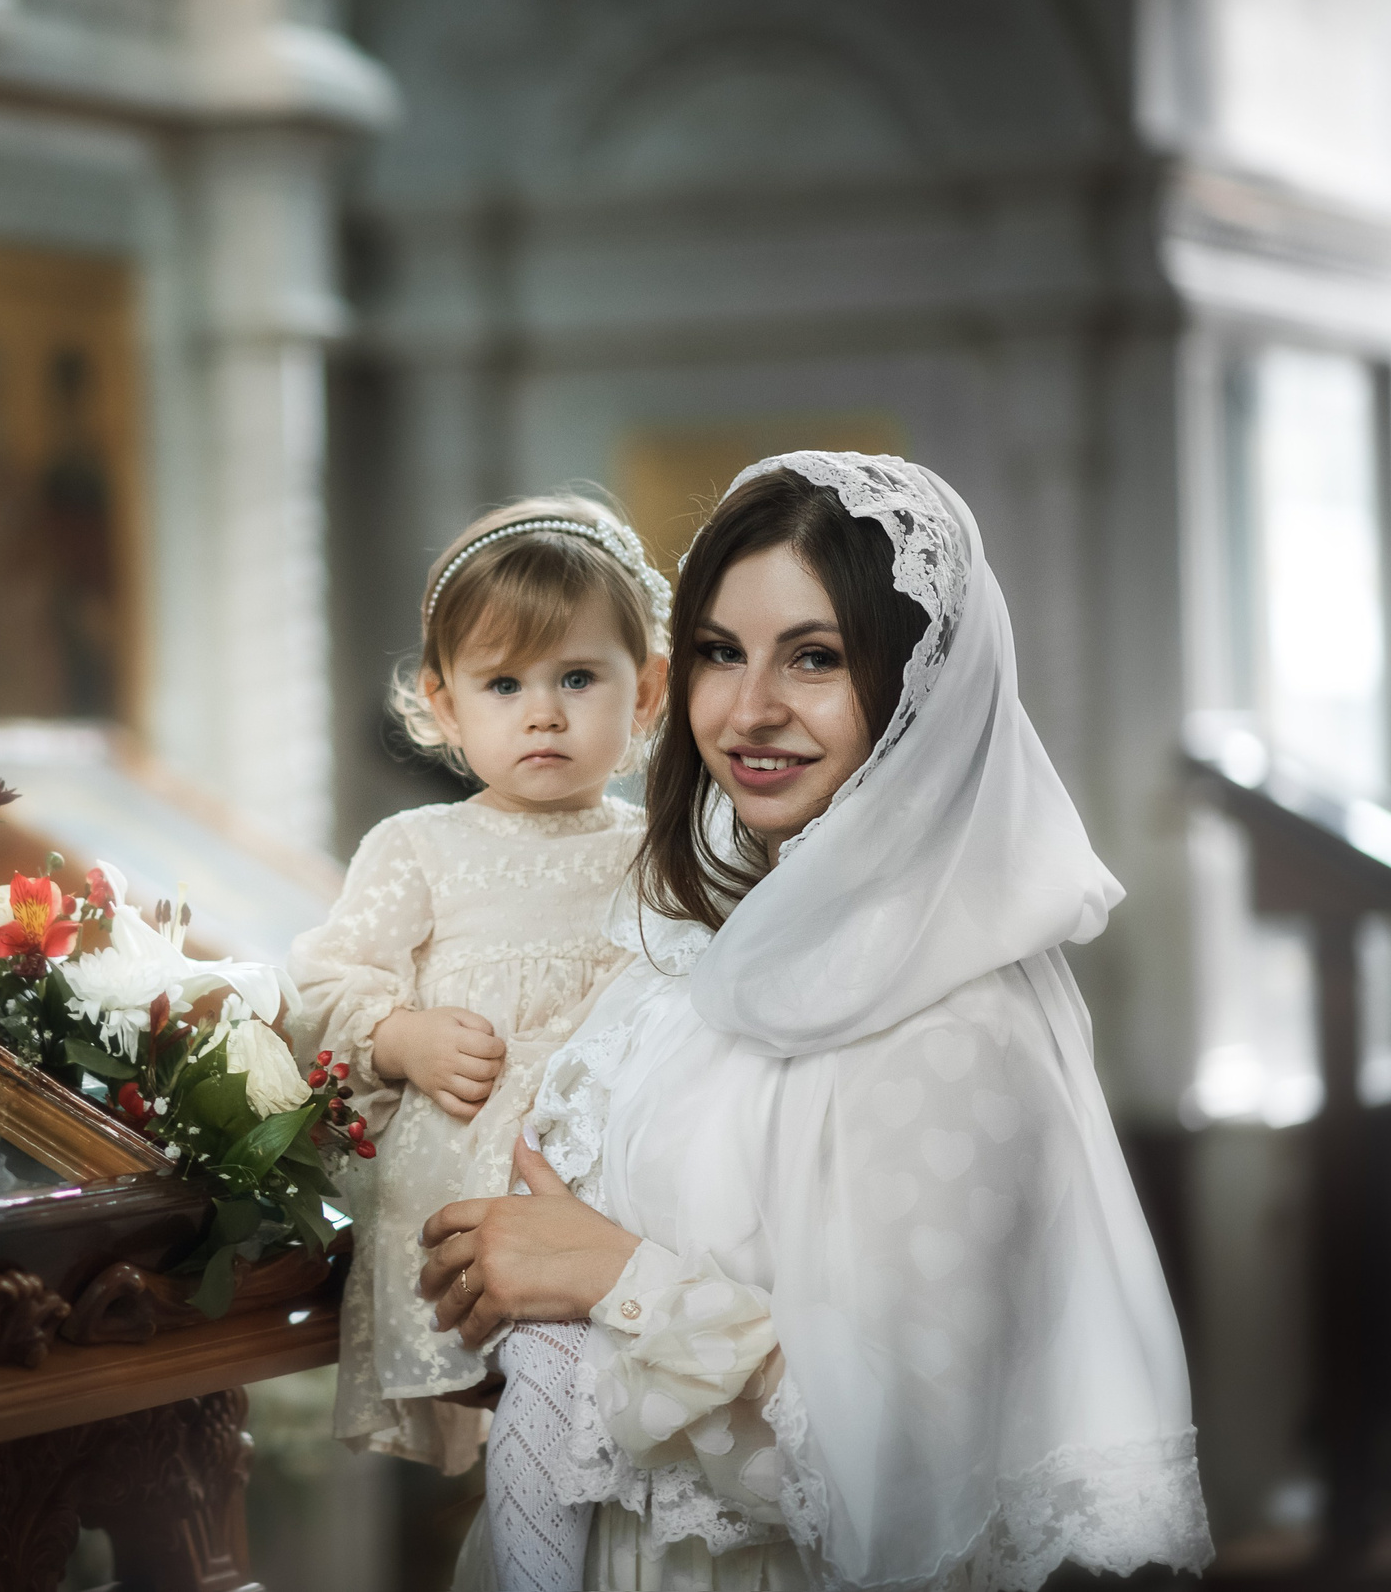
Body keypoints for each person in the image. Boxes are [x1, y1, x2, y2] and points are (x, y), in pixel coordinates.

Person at [423, 453, 1210, 1589]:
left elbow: (905, 1481)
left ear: (918, 687)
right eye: (718, 653)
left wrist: (611, 1280)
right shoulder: (702, 951)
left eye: (815, 659)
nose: (748, 712)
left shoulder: (958, 1018)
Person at [290, 495, 670, 1584]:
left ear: (643, 693)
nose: (540, 714)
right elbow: (322, 983)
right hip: (469, 1196)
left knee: (613, 1434)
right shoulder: (419, 848)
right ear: (442, 707)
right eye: (503, 686)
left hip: (613, 1193)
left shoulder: (658, 850)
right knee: (532, 1429)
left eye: (576, 679)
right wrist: (399, 1035)